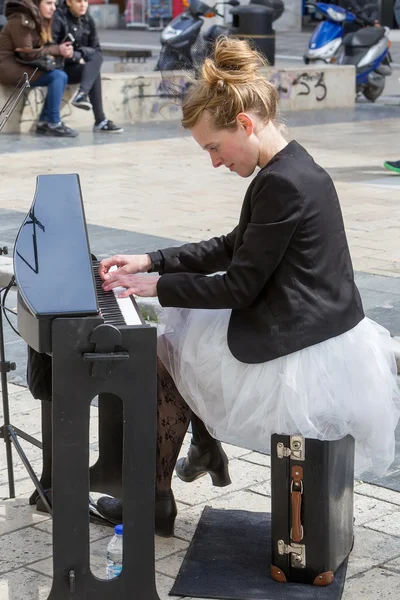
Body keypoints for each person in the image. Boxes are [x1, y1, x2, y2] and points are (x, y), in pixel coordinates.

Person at [95, 37, 400, 536]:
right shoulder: (290, 166)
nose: (214, 162)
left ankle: (166, 487)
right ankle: (196, 454)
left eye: (213, 147)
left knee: (161, 355)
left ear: (244, 123)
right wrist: (152, 258)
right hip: (310, 321)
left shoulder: (282, 183)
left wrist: (155, 284)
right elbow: (235, 244)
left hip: (300, 343)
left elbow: (238, 287)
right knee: (175, 349)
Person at [0, 0, 78, 137]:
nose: (53, 8)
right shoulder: (21, 20)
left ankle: (45, 122)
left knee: (60, 75)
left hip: (21, 65)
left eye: (54, 4)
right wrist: (56, 50)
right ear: (36, 3)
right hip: (8, 68)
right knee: (58, 76)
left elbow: (40, 49)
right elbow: (27, 54)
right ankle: (52, 122)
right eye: (48, 3)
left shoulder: (37, 19)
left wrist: (62, 50)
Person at [52, 0, 123, 133]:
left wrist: (78, 54)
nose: (83, 4)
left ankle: (83, 95)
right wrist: (77, 57)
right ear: (68, 2)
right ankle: (99, 119)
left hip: (78, 66)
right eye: (78, 1)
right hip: (61, 67)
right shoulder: (59, 18)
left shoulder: (87, 20)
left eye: (85, 1)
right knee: (94, 68)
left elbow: (96, 50)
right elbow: (53, 48)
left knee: (95, 63)